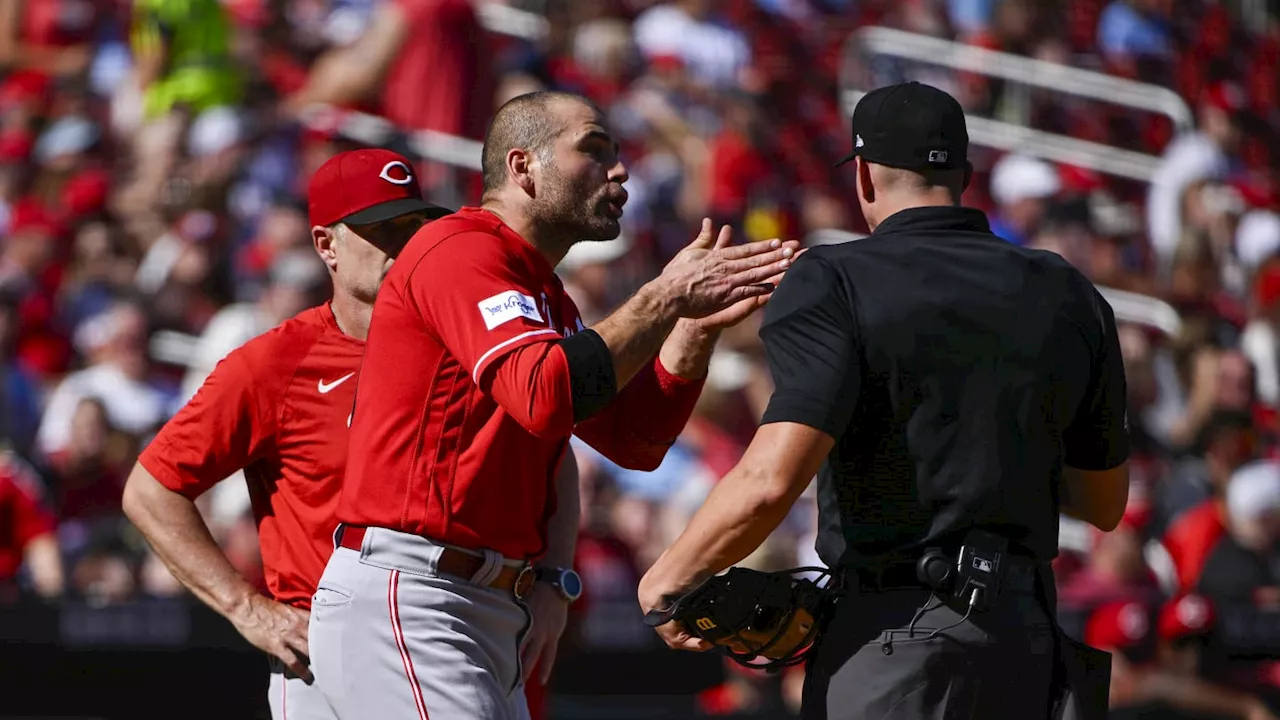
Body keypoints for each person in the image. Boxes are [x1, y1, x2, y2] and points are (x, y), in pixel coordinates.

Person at [638, 81, 1131, 719]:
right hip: (1024, 634)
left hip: (895, 632)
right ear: (965, 174)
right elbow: (1104, 503)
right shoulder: (1069, 291)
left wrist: (669, 576)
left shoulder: (834, 278)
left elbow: (771, 478)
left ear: (864, 177)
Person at [308, 90, 799, 720]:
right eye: (593, 151)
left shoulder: (543, 290)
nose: (618, 170)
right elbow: (542, 396)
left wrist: (692, 330)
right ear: (522, 168)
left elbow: (634, 443)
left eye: (618, 155)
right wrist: (661, 298)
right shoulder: (459, 248)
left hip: (473, 599)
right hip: (414, 590)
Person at [121, 148, 451, 720]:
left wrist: (551, 582)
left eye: (414, 226)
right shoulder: (277, 363)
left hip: (449, 625)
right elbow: (151, 489)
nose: (403, 245)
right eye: (381, 228)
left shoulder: (458, 345)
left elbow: (550, 452)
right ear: (327, 246)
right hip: (329, 651)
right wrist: (245, 606)